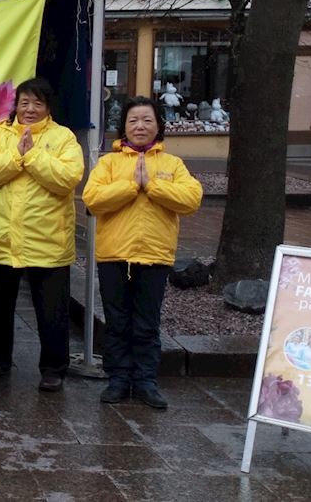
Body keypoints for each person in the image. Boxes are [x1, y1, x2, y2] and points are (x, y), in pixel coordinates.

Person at [83, 96, 202, 409]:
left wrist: (152, 186)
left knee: (147, 323)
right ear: (123, 126)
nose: (140, 126)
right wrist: (130, 186)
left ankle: (146, 381)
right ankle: (118, 379)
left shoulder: (172, 164)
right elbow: (92, 199)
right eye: (133, 120)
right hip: (114, 255)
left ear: (158, 125)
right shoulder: (108, 163)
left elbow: (191, 200)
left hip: (155, 255)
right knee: (117, 321)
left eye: (147, 120)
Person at [0, 77, 84, 391]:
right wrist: (15, 157)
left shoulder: (63, 137)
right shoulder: (0, 134)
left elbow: (67, 178)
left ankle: (54, 369)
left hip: (48, 241)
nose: (30, 109)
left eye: (37, 103)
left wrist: (31, 156)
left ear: (48, 107)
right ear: (15, 105)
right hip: (2, 239)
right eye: (24, 102)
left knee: (52, 311)